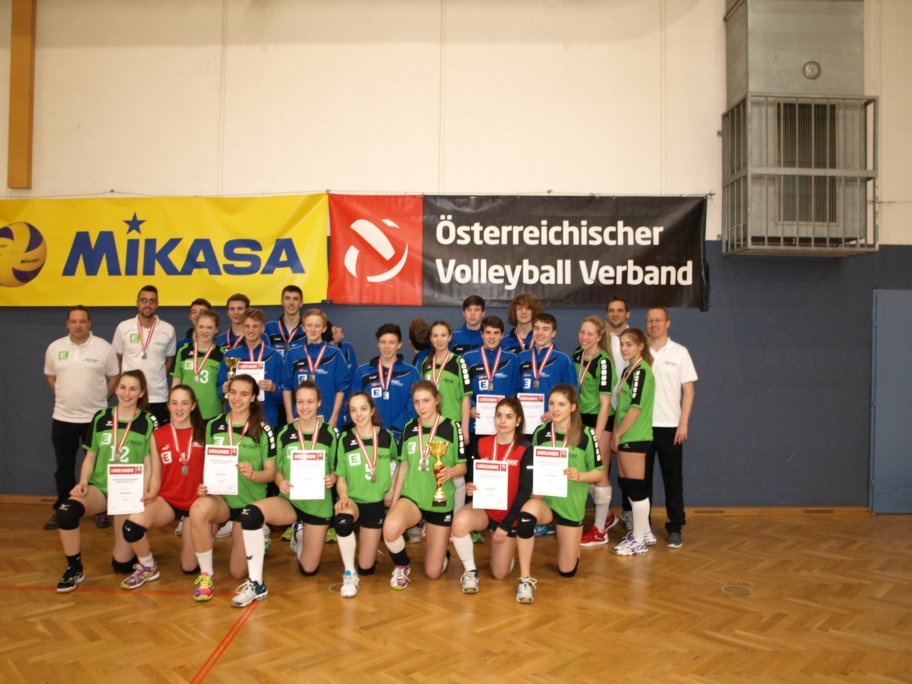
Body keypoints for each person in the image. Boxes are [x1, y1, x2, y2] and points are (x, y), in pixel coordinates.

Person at [231, 381, 337, 606]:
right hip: (291, 501)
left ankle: (299, 534)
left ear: (319, 403)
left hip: (318, 505)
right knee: (250, 514)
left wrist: (333, 478)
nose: (305, 407)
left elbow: (337, 470)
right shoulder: (285, 433)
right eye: (300, 402)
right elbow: (278, 471)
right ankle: (256, 583)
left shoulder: (331, 434)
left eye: (310, 402)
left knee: (308, 568)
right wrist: (281, 483)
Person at [53, 370, 157, 592]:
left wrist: (143, 491)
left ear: (141, 393)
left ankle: (135, 552)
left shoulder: (147, 421)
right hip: (101, 488)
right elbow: (90, 456)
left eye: (133, 389)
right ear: (116, 389)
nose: (126, 393)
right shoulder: (101, 417)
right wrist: (83, 481)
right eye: (122, 387)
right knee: (66, 511)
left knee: (121, 565)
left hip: (128, 492)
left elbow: (149, 463)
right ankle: (74, 569)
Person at [188, 374, 276, 602]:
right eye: (233, 392)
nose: (237, 399)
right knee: (198, 509)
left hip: (248, 505)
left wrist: (254, 474)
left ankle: (259, 535)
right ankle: (206, 575)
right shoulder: (213, 425)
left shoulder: (263, 429)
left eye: (244, 394)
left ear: (253, 397)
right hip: (222, 501)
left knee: (237, 572)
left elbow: (270, 473)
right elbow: (209, 465)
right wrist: (206, 488)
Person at [514, 384, 604, 604]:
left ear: (573, 407)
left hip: (570, 506)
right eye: (552, 403)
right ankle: (524, 579)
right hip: (546, 502)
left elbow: (599, 473)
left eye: (561, 404)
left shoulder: (586, 435)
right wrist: (535, 489)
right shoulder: (540, 432)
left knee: (567, 570)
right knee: (526, 516)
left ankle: (573, 551)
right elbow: (533, 467)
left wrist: (580, 476)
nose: (555, 409)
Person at [382, 381, 466, 590]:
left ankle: (441, 553)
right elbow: (403, 465)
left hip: (439, 501)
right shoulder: (409, 427)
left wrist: (450, 472)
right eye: (417, 402)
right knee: (390, 528)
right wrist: (395, 497)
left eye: (426, 401)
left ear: (437, 400)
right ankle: (402, 565)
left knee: (432, 572)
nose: (421, 406)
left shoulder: (452, 427)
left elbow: (463, 467)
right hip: (413, 497)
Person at [120, 385, 205, 589]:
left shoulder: (205, 433)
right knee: (131, 527)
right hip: (169, 500)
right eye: (174, 403)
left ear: (193, 406)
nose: (179, 408)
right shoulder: (157, 435)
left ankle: (201, 528)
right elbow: (156, 472)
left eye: (184, 403)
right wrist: (151, 492)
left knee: (189, 567)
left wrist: (210, 503)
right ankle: (148, 566)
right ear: (168, 406)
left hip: (197, 503)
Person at [44, 305, 119, 530]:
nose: (78, 325)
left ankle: (101, 509)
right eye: (74, 321)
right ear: (67, 324)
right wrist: (63, 395)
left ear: (90, 323)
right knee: (64, 467)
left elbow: (114, 377)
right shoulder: (55, 348)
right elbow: (51, 376)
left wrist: (102, 398)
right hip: (63, 417)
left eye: (82, 321)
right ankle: (63, 508)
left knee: (98, 468)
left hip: (94, 419)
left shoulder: (104, 348)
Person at [451, 397, 532, 594]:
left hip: (509, 515)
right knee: (459, 523)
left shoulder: (525, 449)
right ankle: (470, 571)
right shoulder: (482, 443)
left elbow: (524, 492)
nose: (502, 421)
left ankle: (508, 553)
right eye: (499, 416)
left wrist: (505, 525)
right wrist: (471, 487)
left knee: (499, 573)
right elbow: (473, 477)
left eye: (509, 417)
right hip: (485, 509)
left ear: (518, 421)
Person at [333, 392, 398, 597]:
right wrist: (343, 496)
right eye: (353, 410)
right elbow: (341, 477)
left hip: (376, 503)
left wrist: (391, 489)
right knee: (343, 520)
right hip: (353, 500)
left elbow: (397, 465)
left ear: (371, 410)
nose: (358, 414)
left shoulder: (386, 437)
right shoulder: (345, 438)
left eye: (363, 409)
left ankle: (368, 549)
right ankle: (349, 573)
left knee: (367, 567)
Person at [645, 306, 697, 549]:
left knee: (673, 480)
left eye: (658, 320)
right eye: (650, 320)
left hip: (670, 427)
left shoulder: (680, 352)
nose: (654, 324)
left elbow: (689, 391)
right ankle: (642, 526)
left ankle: (675, 526)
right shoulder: (639, 350)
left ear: (667, 323)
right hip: (642, 427)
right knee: (642, 482)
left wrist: (683, 423)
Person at [611, 328, 656, 557]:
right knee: (626, 483)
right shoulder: (628, 370)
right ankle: (645, 532)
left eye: (629, 344)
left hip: (635, 436)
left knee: (636, 489)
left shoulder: (641, 371)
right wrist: (617, 434)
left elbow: (635, 409)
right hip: (626, 436)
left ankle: (638, 541)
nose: (624, 348)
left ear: (640, 346)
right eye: (622, 344)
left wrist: (617, 434)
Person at [575, 316, 619, 547]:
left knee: (600, 474)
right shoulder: (577, 354)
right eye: (582, 332)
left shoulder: (604, 363)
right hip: (581, 421)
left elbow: (605, 404)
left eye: (590, 334)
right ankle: (608, 516)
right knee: (585, 472)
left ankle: (600, 531)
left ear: (599, 337)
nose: (584, 337)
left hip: (600, 421)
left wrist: (598, 436)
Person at [111, 285, 176, 425]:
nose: (148, 304)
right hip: (130, 396)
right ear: (137, 303)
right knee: (130, 435)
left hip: (158, 397)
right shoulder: (123, 327)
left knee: (158, 437)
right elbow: (117, 359)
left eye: (152, 301)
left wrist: (156, 377)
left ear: (157, 304)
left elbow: (168, 361)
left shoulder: (168, 329)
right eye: (144, 300)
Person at [282, 308, 352, 428]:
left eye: (317, 326)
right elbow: (286, 387)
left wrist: (334, 417)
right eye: (309, 325)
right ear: (303, 328)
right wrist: (289, 416)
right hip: (300, 418)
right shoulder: (292, 354)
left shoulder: (335, 354)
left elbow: (341, 389)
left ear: (324, 328)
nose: (313, 329)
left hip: (328, 418)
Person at [352, 324, 421, 440]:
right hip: (371, 436)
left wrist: (396, 430)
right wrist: (371, 430)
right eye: (383, 342)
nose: (387, 347)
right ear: (378, 344)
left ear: (399, 344)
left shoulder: (411, 373)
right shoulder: (362, 373)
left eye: (391, 342)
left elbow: (414, 407)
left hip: (402, 435)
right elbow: (355, 405)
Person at [217, 308, 283, 428]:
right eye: (247, 326)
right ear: (243, 328)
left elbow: (284, 393)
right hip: (236, 419)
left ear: (262, 328)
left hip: (266, 418)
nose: (251, 330)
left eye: (255, 326)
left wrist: (273, 388)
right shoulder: (230, 355)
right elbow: (219, 390)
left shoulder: (275, 356)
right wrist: (223, 388)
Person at [517, 313, 577, 435]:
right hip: (524, 422)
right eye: (536, 328)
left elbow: (572, 394)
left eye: (545, 329)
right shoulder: (521, 357)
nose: (540, 333)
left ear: (553, 333)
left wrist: (555, 412)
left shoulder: (563, 359)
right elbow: (515, 389)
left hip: (553, 421)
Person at [172, 309, 224, 421]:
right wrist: (173, 409)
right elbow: (176, 382)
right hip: (186, 412)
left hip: (212, 413)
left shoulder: (222, 354)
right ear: (196, 327)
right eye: (201, 327)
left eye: (209, 327)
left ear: (216, 329)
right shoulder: (183, 351)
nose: (204, 331)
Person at [265, 285, 305, 357]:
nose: (291, 302)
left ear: (301, 303)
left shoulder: (310, 328)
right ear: (282, 302)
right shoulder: (269, 328)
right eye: (287, 298)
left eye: (295, 299)